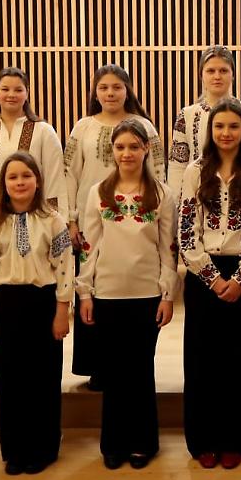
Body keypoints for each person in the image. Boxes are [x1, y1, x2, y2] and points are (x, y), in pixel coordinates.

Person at [75, 119, 176, 470]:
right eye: (121, 147)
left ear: (146, 149)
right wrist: (84, 293)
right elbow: (89, 246)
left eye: (134, 146)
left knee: (140, 371)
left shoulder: (161, 193)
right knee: (114, 372)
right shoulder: (98, 193)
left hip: (147, 294)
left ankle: (144, 442)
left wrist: (168, 294)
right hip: (107, 294)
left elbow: (168, 249)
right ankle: (113, 443)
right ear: (112, 151)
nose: (127, 153)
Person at [179, 98, 241, 469]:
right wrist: (213, 280)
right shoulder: (194, 170)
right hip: (204, 277)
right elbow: (187, 231)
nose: (226, 133)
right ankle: (202, 439)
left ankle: (234, 439)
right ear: (209, 131)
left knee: (237, 360)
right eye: (220, 127)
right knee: (201, 361)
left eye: (234, 127)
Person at [0, 67, 66, 392]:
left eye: (18, 89)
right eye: (5, 88)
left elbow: (52, 176)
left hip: (37, 216)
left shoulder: (42, 130)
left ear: (26, 93)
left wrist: (54, 217)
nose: (11, 94)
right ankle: (2, 367)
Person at [65, 64, 165, 391]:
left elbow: (159, 173)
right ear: (95, 92)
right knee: (94, 286)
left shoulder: (145, 128)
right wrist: (72, 218)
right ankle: (97, 366)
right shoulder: (82, 128)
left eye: (117, 87)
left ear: (128, 90)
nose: (110, 93)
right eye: (104, 87)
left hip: (136, 222)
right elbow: (70, 175)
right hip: (92, 218)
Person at [0, 152, 73, 476]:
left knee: (43, 378)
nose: (20, 182)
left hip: (42, 303)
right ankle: (15, 449)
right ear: (3, 184)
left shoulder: (53, 220)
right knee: (13, 379)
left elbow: (63, 269)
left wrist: (62, 310)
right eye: (13, 177)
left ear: (37, 181)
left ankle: (44, 447)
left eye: (26, 176)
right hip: (7, 305)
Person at [167, 45, 241, 197]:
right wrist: (178, 204)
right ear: (201, 75)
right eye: (210, 71)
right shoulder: (186, 115)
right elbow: (177, 166)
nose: (217, 76)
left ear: (232, 75)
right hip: (198, 199)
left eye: (223, 70)